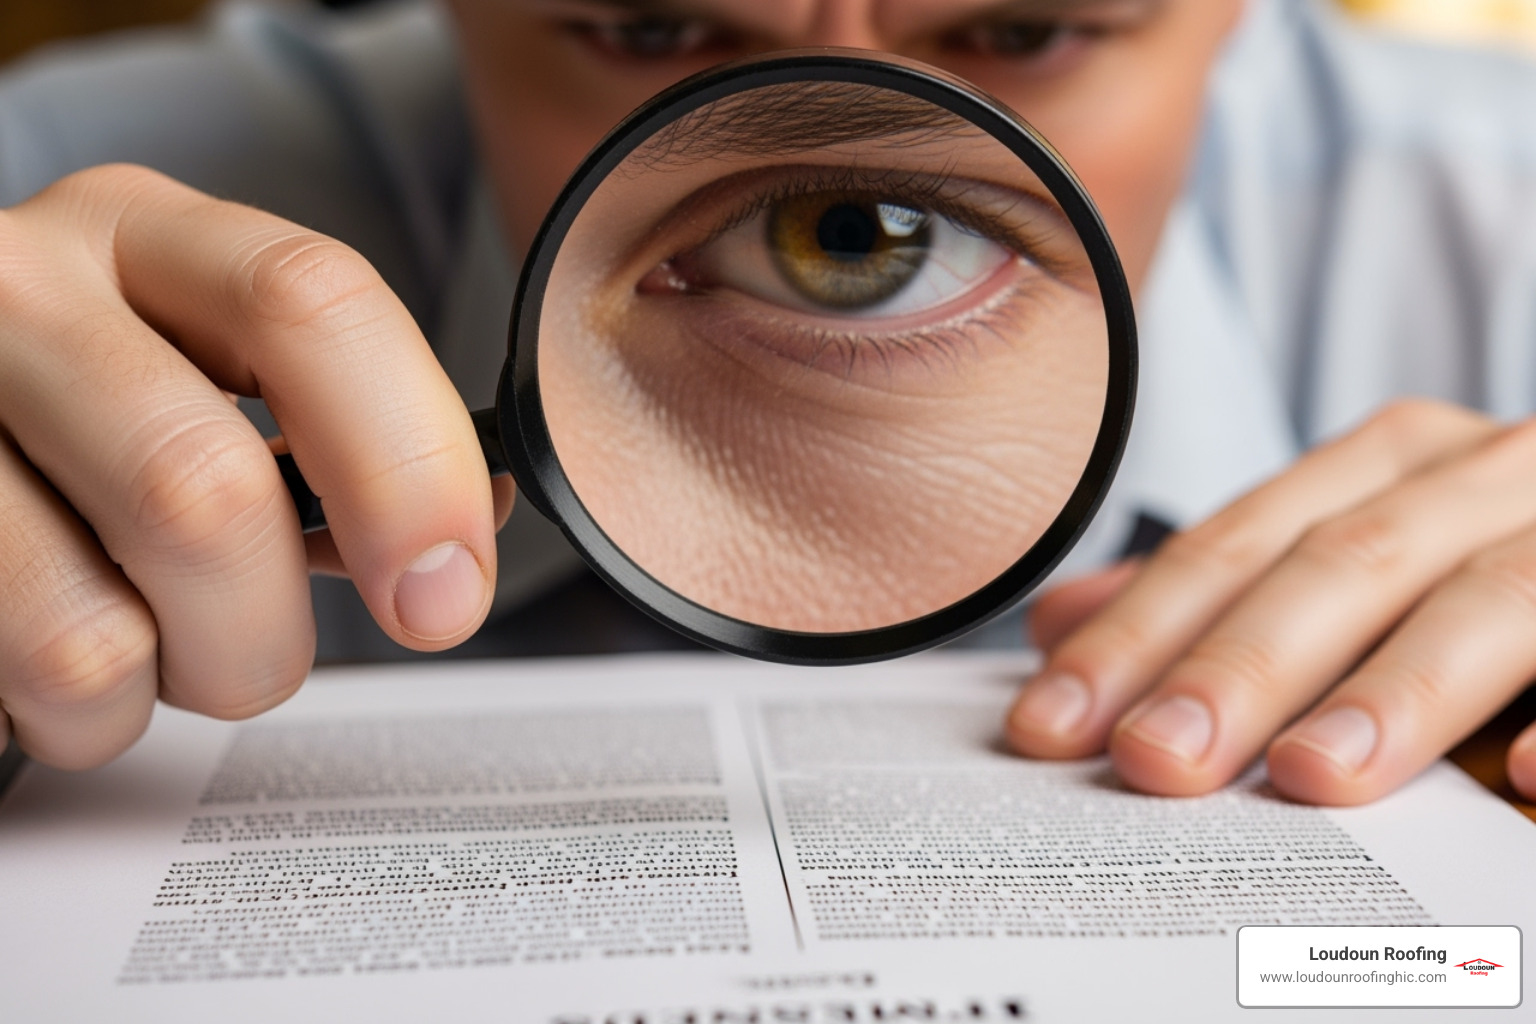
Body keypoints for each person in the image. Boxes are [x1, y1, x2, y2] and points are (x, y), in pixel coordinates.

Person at [1, 0, 1534, 808]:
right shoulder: (45, 192)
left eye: (1018, 31)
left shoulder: (1506, 219)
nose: (837, 210)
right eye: (655, 29)